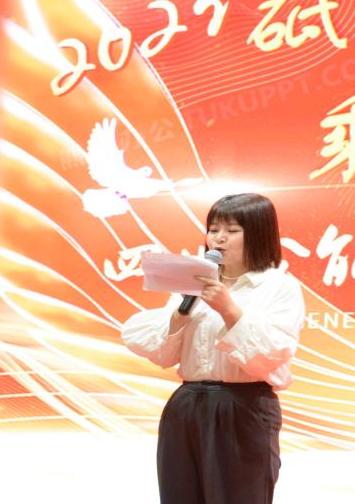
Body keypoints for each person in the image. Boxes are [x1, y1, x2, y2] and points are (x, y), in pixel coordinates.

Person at [122, 193, 305, 504]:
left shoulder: (279, 287)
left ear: (258, 234)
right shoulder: (194, 282)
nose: (219, 238)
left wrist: (228, 308)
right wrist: (181, 312)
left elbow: (270, 356)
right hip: (187, 405)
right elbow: (163, 354)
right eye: (213, 229)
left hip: (243, 406)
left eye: (232, 230)